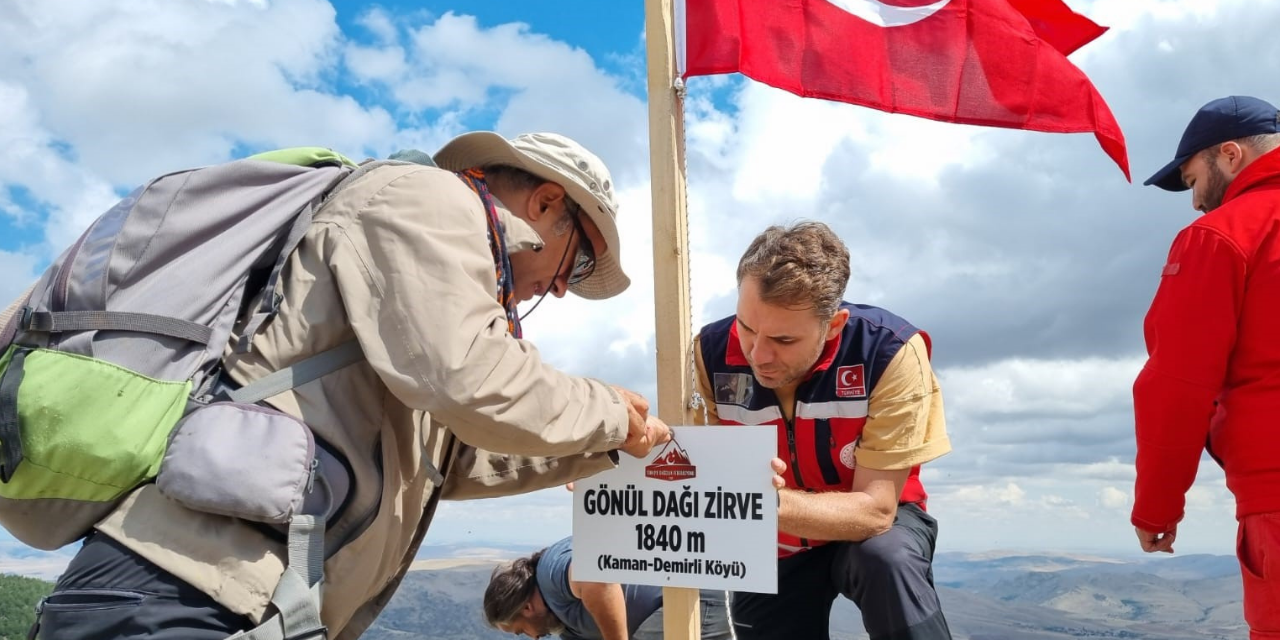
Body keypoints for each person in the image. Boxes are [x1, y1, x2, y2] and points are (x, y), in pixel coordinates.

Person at [12, 131, 672, 640]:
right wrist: (610, 412)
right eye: (579, 258)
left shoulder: (432, 300)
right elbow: (469, 380)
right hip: (184, 590)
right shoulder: (431, 201)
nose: (563, 285)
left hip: (222, 596)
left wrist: (610, 446)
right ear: (547, 201)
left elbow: (454, 456)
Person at [693, 221, 953, 640]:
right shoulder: (707, 352)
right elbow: (688, 462)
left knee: (887, 563)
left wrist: (761, 501)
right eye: (746, 327)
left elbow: (876, 510)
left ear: (833, 325)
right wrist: (615, 464)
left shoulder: (889, 352)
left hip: (872, 528)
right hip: (775, 539)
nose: (758, 355)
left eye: (783, 339)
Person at [1134, 95, 1280, 639]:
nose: (1195, 202)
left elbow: (1176, 387)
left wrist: (1156, 510)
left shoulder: (1221, 236)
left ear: (1230, 154)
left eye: (1194, 180)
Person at [483, 536, 732, 640]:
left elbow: (597, 578)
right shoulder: (565, 625)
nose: (533, 637)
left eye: (520, 631)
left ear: (526, 607)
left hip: (693, 597)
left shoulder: (550, 573)